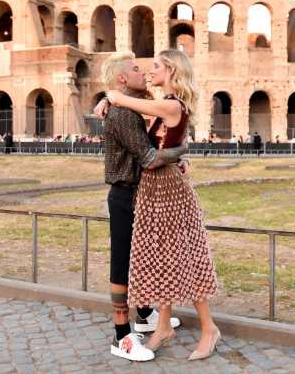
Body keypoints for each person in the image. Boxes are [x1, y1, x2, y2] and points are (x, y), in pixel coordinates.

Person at [105, 49, 220, 361]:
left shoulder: (169, 104)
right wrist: (107, 99)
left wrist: (112, 96)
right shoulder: (165, 104)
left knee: (180, 255)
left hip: (167, 188)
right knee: (163, 256)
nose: (149, 71)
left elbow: (128, 104)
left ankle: (209, 328)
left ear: (170, 70)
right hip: (155, 187)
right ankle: (163, 326)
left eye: (155, 66)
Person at [98, 52, 186, 362]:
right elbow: (149, 158)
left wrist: (107, 98)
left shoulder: (126, 107)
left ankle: (146, 314)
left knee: (143, 257)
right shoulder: (123, 115)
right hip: (124, 195)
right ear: (122, 79)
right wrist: (181, 151)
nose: (144, 71)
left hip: (137, 192)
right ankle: (121, 335)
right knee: (122, 262)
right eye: (136, 69)